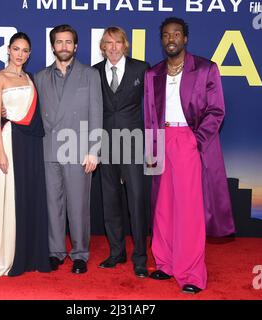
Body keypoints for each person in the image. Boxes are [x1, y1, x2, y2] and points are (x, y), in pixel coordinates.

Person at [144, 17, 235, 293]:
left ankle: (192, 274)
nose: (171, 38)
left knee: (189, 210)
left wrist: (196, 142)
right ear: (162, 40)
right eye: (166, 35)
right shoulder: (153, 74)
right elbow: (149, 116)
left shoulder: (206, 69)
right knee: (163, 207)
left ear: (185, 39)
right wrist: (151, 153)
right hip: (161, 139)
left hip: (188, 140)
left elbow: (216, 110)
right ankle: (165, 264)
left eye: (176, 34)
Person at [0, 32, 51, 277]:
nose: (20, 54)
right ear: (8, 50)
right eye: (16, 49)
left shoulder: (29, 78)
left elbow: (35, 116)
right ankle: (5, 254)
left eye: (25, 50)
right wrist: (1, 152)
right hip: (9, 141)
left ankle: (28, 253)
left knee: (29, 194)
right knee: (10, 196)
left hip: (30, 145)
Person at [34, 25, 103, 274]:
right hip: (49, 148)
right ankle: (55, 252)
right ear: (53, 46)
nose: (63, 46)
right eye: (59, 42)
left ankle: (80, 254)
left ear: (76, 46)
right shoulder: (40, 77)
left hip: (78, 149)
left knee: (78, 206)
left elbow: (97, 113)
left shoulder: (89, 75)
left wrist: (94, 149)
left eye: (68, 42)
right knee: (53, 204)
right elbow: (31, 115)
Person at [93, 27, 150, 278]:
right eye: (108, 43)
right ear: (102, 47)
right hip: (105, 145)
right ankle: (116, 252)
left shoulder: (142, 68)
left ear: (125, 45)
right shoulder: (94, 72)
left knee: (137, 201)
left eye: (118, 42)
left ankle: (140, 256)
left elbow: (152, 106)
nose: (113, 47)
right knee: (110, 200)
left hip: (134, 144)